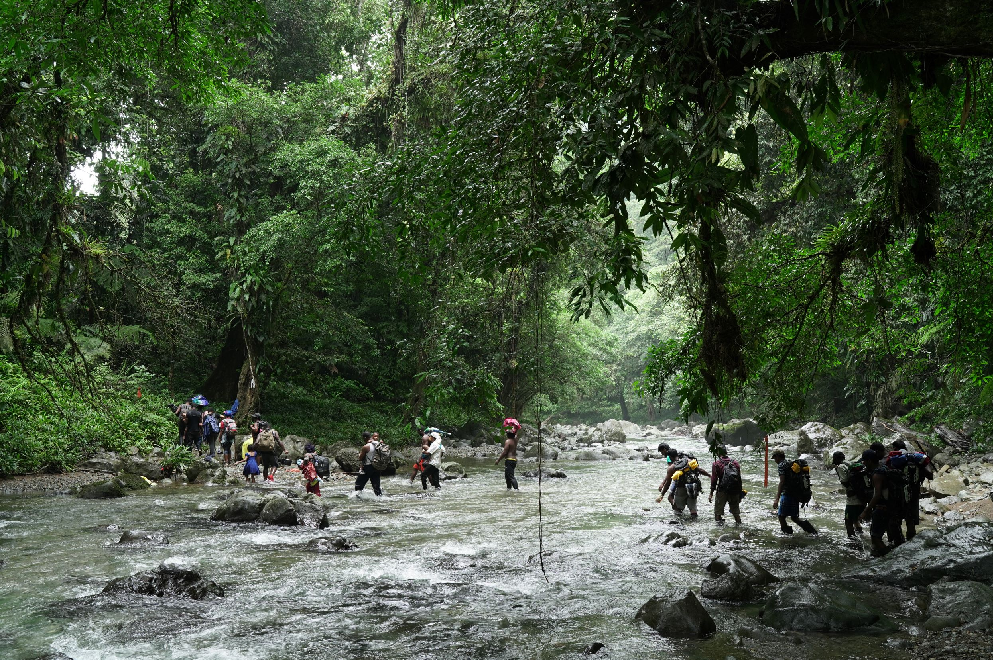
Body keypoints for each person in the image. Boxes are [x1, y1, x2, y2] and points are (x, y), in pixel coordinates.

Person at [885, 439, 933, 542]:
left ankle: (897, 543)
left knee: (896, 520)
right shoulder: (917, 459)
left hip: (898, 494)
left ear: (895, 449)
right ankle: (911, 543)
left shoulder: (895, 459)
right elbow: (930, 475)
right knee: (910, 521)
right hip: (914, 493)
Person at [858, 449, 895, 556]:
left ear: (869, 461)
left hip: (882, 508)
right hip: (890, 506)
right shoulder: (884, 468)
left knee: (875, 536)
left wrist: (866, 511)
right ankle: (879, 555)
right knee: (880, 534)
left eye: (864, 461)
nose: (863, 463)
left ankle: (889, 559)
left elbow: (877, 495)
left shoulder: (877, 475)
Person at [772, 449, 818, 535]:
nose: (775, 460)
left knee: (781, 516)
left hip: (787, 494)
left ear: (778, 457)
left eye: (775, 458)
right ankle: (812, 531)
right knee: (794, 517)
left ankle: (787, 534)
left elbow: (782, 482)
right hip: (796, 494)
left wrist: (777, 499)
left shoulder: (781, 465)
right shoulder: (790, 464)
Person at [659, 449, 710, 518]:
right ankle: (694, 523)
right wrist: (710, 476)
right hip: (692, 486)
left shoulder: (672, 468)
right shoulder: (689, 461)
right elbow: (700, 470)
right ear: (677, 454)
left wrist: (662, 495)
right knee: (693, 509)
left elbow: (668, 483)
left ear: (670, 457)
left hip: (681, 488)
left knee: (678, 509)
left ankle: (680, 523)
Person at [832, 451, 865, 538]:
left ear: (837, 459)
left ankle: (852, 540)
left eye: (834, 458)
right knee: (855, 519)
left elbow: (845, 481)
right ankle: (860, 535)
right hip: (860, 495)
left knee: (848, 521)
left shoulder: (840, 467)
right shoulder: (849, 464)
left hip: (852, 498)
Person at [709, 445, 742, 525]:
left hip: (722, 491)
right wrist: (740, 493)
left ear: (718, 452)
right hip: (734, 491)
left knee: (718, 513)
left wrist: (711, 493)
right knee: (736, 513)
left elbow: (714, 479)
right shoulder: (735, 463)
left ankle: (719, 532)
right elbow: (739, 479)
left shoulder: (716, 464)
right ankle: (740, 528)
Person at [355, 431, 383, 496]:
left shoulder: (366, 447)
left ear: (365, 438)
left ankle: (357, 499)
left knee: (358, 484)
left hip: (368, 467)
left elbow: (360, 458)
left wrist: (359, 454)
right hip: (377, 467)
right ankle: (380, 498)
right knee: (376, 486)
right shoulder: (378, 444)